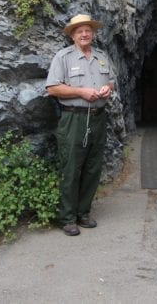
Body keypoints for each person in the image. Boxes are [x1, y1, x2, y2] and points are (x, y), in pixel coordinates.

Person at [46, 14, 115, 236]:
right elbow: (53, 88)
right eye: (79, 31)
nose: (84, 34)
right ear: (73, 35)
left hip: (98, 117)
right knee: (72, 167)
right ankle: (67, 217)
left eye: (88, 30)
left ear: (93, 33)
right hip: (74, 118)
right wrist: (81, 92)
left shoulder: (102, 57)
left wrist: (107, 89)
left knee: (93, 167)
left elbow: (111, 81)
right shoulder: (63, 57)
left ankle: (83, 213)